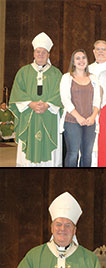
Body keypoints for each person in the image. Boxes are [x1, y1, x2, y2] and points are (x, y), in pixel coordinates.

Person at [9, 32, 62, 167]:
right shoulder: (23, 72)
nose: (40, 54)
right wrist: (30, 103)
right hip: (28, 114)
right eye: (38, 52)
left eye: (44, 52)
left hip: (49, 114)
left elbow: (61, 93)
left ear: (49, 55)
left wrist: (48, 105)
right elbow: (17, 91)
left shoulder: (56, 73)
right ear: (33, 53)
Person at [60, 49, 100, 167]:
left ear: (87, 60)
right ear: (73, 62)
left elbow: (97, 99)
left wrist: (93, 117)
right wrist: (78, 117)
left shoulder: (93, 78)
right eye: (77, 58)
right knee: (73, 153)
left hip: (90, 121)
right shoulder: (67, 77)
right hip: (72, 121)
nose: (81, 61)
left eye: (83, 58)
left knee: (87, 154)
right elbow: (65, 99)